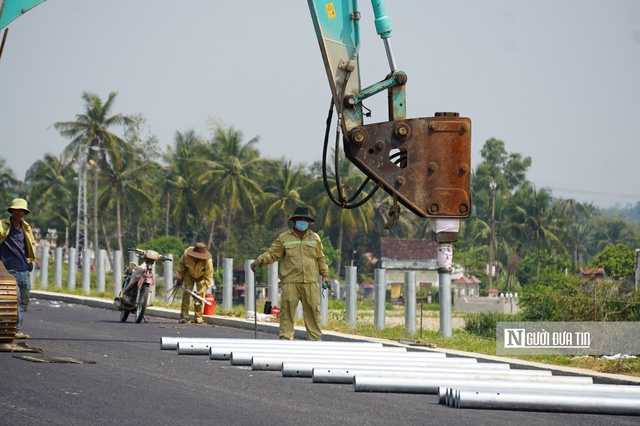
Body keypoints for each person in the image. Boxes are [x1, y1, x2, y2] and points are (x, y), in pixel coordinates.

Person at [251, 206, 329, 341]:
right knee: (286, 313)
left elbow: (320, 257)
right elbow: (272, 253)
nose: (303, 221)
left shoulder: (315, 238)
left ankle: (315, 342)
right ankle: (285, 341)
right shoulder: (284, 238)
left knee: (313, 314)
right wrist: (260, 260)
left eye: (306, 219)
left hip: (311, 282)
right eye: (300, 219)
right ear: (294, 220)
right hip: (290, 282)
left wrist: (325, 275)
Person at [0, 198, 36, 339]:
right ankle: (13, 329)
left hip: (24, 269)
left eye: (22, 210)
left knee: (24, 301)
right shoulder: (3, 225)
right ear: (12, 210)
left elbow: (28, 246)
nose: (19, 212)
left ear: (24, 212)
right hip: (9, 270)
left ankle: (18, 329)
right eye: (17, 210)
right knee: (14, 299)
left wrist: (30, 262)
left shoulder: (25, 228)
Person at [176, 242, 213, 324]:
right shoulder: (186, 255)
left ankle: (198, 316)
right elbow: (181, 266)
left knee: (199, 297)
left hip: (201, 277)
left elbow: (208, 278)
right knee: (186, 294)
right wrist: (180, 278)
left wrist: (202, 290)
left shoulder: (208, 261)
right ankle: (184, 316)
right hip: (189, 274)